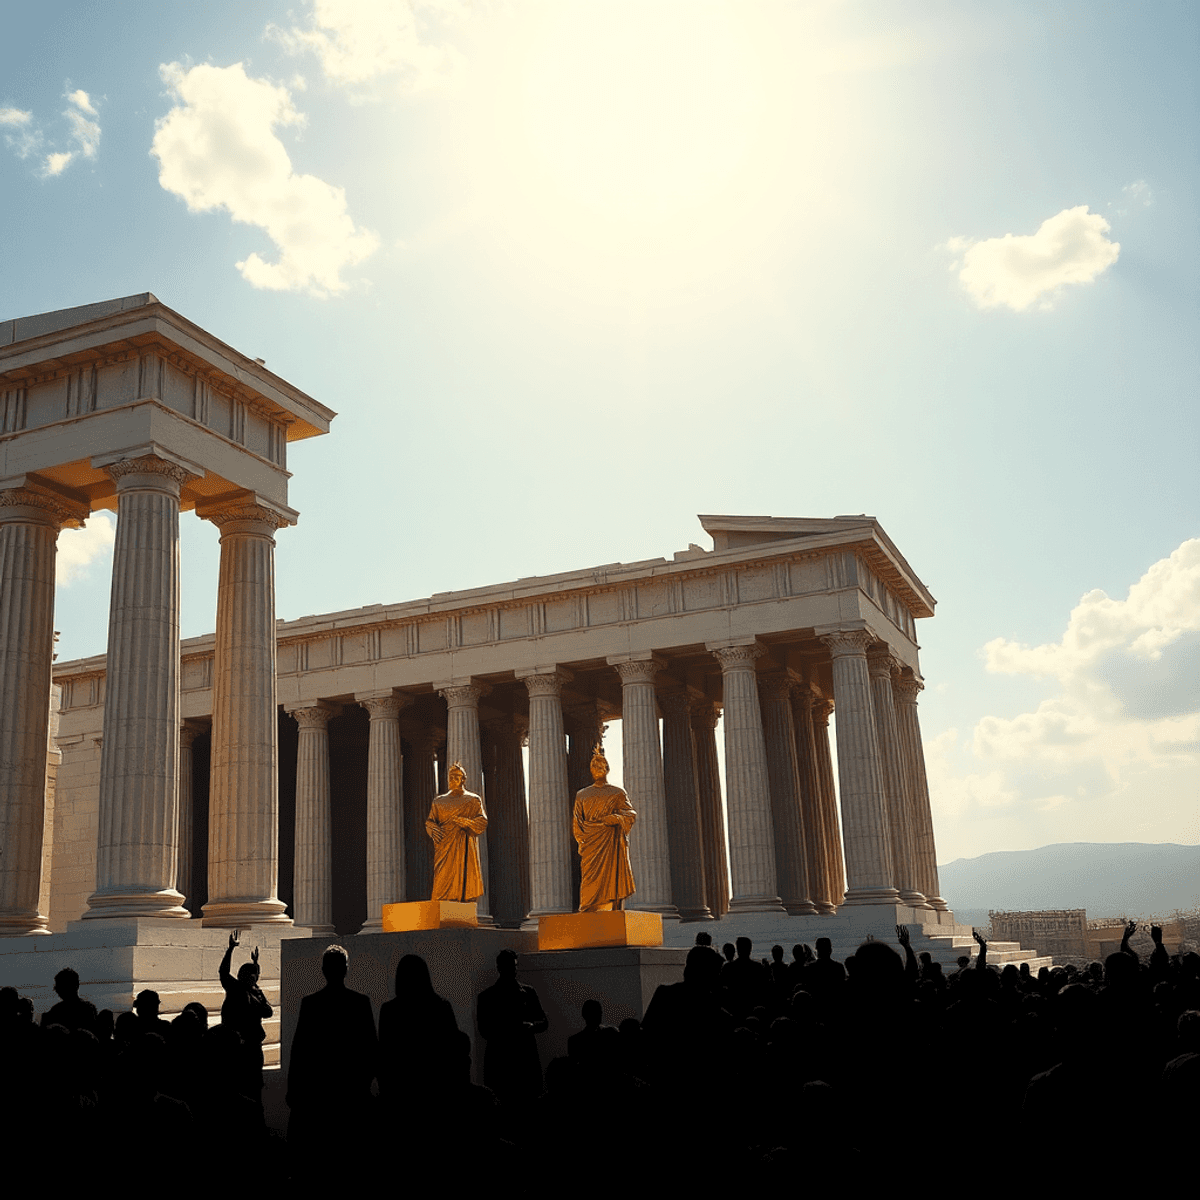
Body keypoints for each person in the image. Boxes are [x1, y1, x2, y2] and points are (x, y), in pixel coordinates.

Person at [287, 945, 377, 1144]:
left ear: (323, 970)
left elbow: (300, 1050)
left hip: (319, 1094)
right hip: (353, 1092)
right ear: (346, 969)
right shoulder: (360, 1002)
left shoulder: (310, 1004)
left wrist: (293, 1089)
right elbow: (371, 1048)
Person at [378, 953, 459, 1103]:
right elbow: (452, 1049)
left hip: (401, 1090)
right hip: (436, 1088)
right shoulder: (440, 1007)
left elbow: (385, 1055)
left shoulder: (390, 1010)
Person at [476, 949, 548, 1104]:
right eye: (511, 966)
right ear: (500, 968)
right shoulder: (487, 997)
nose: (514, 970)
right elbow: (485, 1030)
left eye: (514, 966)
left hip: (513, 1062)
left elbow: (543, 1021)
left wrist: (530, 1026)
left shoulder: (488, 997)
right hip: (508, 1062)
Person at [572, 744, 636, 912]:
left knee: (611, 877)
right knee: (588, 879)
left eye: (600, 765)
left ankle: (608, 908)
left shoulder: (617, 793)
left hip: (609, 841)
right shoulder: (582, 795)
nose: (597, 768)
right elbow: (577, 821)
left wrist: (616, 818)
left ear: (607, 769)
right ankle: (589, 908)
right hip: (591, 843)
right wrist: (582, 841)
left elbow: (630, 814)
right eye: (594, 766)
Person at [426, 761, 488, 902]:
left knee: (463, 876)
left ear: (462, 780)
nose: (452, 780)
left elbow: (482, 821)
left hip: (463, 845)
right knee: (441, 878)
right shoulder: (439, 801)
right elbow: (430, 821)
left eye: (456, 777)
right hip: (444, 845)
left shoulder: (472, 800)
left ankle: (461, 904)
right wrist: (431, 828)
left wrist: (467, 823)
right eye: (450, 777)